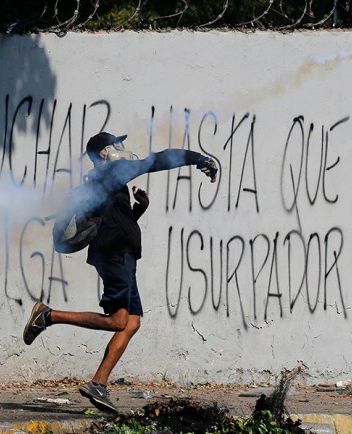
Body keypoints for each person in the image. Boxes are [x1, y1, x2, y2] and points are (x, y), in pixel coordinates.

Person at [23, 132, 218, 413]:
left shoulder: (105, 182)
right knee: (118, 321)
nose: (122, 148)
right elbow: (157, 160)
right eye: (117, 144)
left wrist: (140, 209)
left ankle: (98, 384)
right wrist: (197, 159)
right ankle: (49, 316)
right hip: (114, 254)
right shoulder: (111, 170)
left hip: (122, 253)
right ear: (105, 153)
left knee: (132, 322)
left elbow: (113, 221)